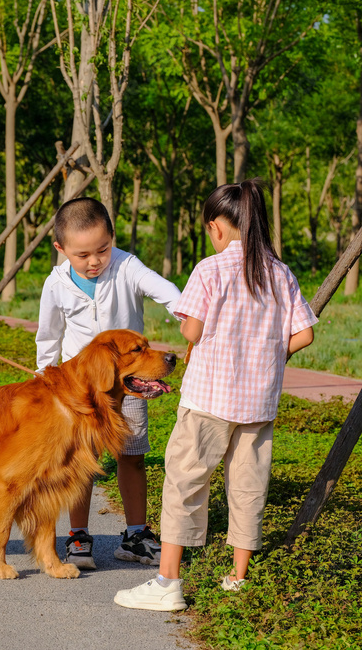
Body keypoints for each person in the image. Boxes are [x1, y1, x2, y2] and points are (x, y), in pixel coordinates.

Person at [115, 179, 316, 611]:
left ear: (216, 227)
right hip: (258, 403)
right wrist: (267, 353)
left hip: (209, 399)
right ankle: (238, 578)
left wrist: (195, 331)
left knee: (185, 481)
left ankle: (169, 581)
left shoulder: (210, 268)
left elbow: (192, 329)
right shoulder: (280, 272)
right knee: (248, 485)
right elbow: (305, 334)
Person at [36, 197, 181, 569]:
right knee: (79, 461)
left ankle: (135, 534)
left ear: (112, 238)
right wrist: (44, 376)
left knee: (132, 456)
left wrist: (188, 314)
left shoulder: (127, 266)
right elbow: (48, 336)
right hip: (78, 390)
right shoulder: (55, 284)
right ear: (61, 249)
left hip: (127, 385)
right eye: (82, 255)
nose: (94, 261)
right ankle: (78, 536)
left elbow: (168, 293)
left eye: (102, 249)